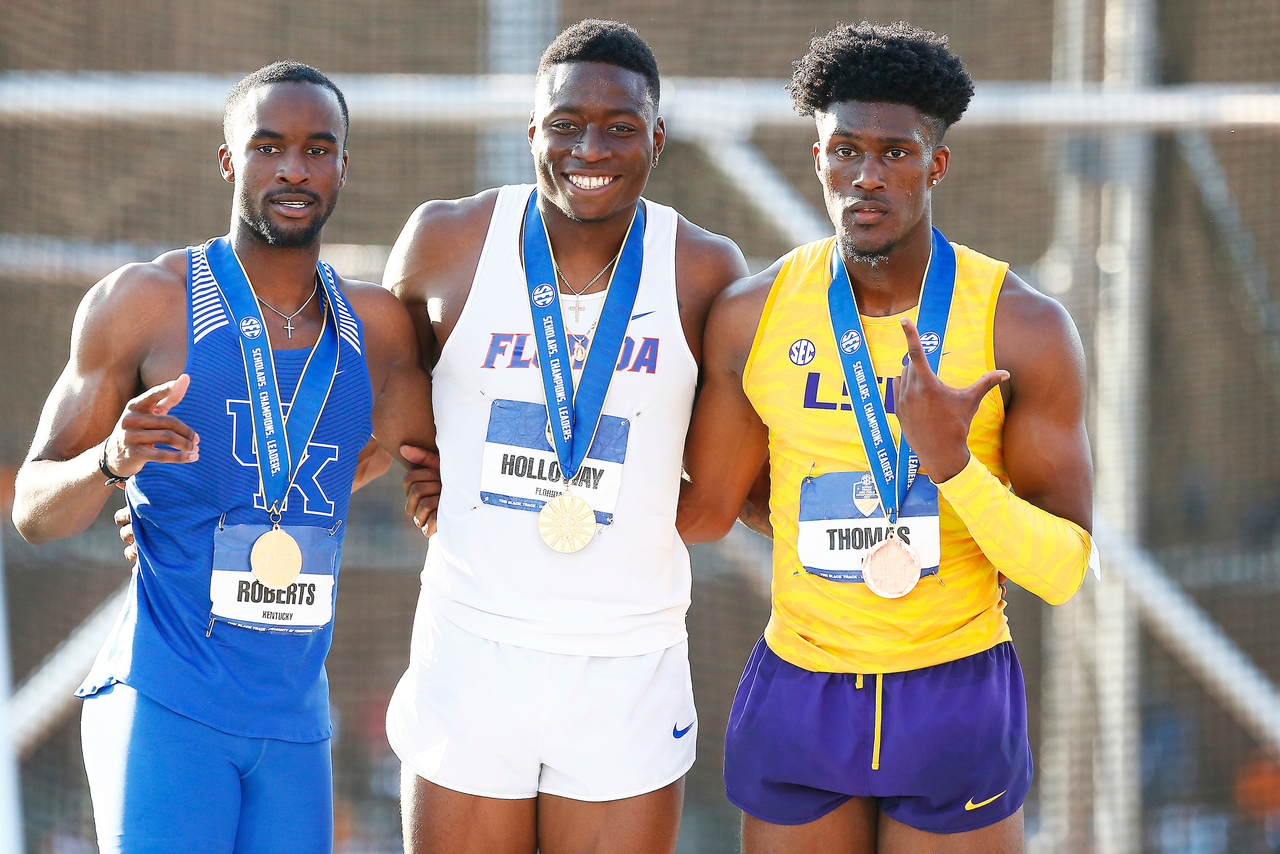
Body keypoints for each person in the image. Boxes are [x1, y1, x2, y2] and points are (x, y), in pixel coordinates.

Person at [677, 21, 1097, 854]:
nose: (866, 176)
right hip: (803, 683)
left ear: (935, 164)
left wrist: (952, 468)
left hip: (955, 685)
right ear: (818, 158)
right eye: (845, 151)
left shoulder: (1023, 326)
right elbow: (712, 510)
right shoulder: (750, 317)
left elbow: (1060, 570)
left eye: (895, 154)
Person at [11, 62, 435, 854]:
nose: (294, 168)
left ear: (345, 164)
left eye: (318, 148)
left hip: (297, 721)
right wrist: (110, 461)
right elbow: (32, 509)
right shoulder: (143, 302)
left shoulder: (376, 328)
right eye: (269, 146)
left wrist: (272, 500)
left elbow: (416, 455)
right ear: (228, 159)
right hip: (165, 701)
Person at [384, 19, 747, 854]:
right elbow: (386, 380)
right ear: (531, 133)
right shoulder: (446, 239)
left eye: (620, 128)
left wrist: (634, 519)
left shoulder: (703, 267)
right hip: (472, 645)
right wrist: (435, 467)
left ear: (656, 139)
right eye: (565, 124)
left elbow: (715, 498)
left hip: (628, 660)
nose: (591, 146)